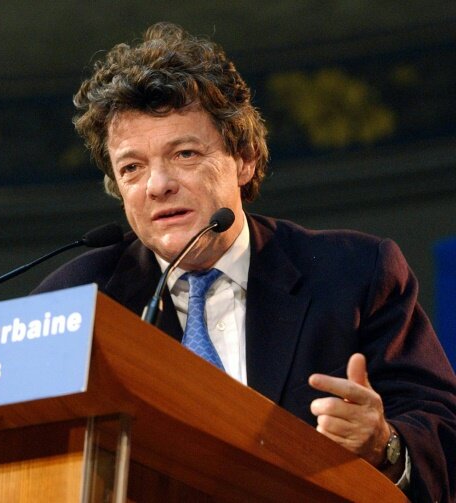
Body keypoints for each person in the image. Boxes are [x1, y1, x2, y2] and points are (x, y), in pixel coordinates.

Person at [33, 22, 456, 502]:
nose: (157, 185)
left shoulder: (353, 272)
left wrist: (385, 445)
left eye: (185, 153)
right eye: (132, 168)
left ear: (246, 158)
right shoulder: (75, 305)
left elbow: (444, 436)